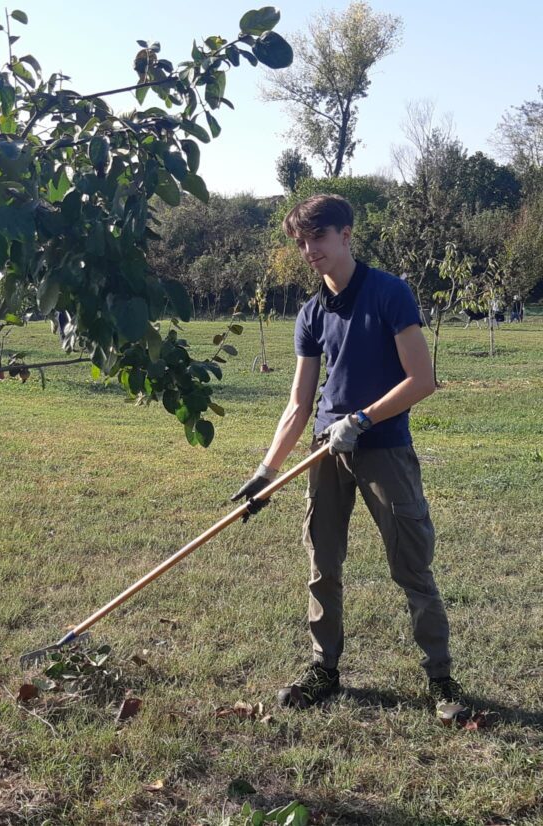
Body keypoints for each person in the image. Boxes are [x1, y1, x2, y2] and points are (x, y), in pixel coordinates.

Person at [231, 194, 465, 715]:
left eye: (319, 237)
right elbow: (297, 403)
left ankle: (441, 681)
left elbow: (422, 380)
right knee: (323, 563)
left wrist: (360, 420)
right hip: (324, 453)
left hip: (382, 448)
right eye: (301, 241)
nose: (310, 249)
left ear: (346, 235)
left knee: (411, 566)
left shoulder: (389, 293)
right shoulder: (311, 314)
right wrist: (266, 470)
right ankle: (324, 670)